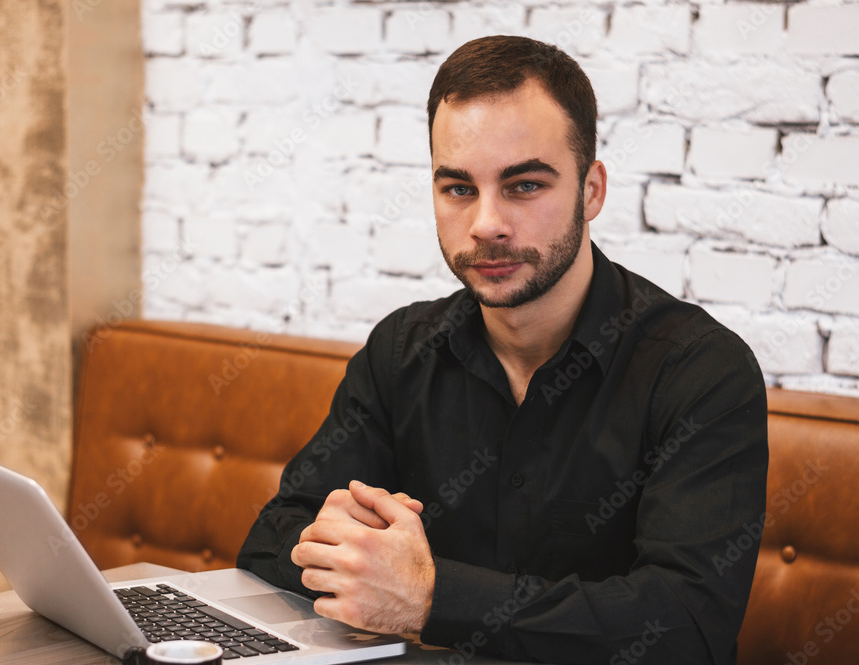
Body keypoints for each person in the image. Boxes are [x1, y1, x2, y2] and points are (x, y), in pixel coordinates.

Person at [237, 35, 768, 665]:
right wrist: (350, 557)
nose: (486, 222)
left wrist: (432, 597)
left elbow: (686, 626)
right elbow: (271, 542)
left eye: (523, 186)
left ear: (591, 191)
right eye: (459, 189)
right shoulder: (400, 352)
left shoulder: (701, 371)